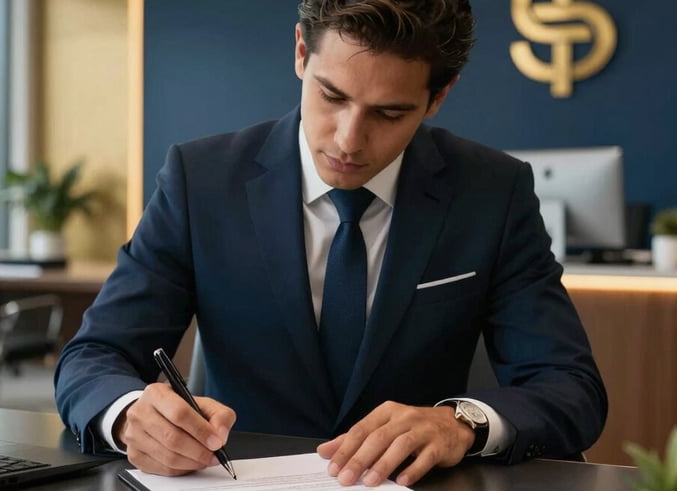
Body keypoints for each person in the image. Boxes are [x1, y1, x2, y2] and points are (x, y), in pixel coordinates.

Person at [55, 0, 607, 487]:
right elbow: (94, 356)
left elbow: (570, 387)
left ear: (438, 97)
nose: (348, 140)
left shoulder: (492, 192)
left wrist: (463, 422)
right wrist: (128, 415)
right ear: (300, 52)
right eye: (331, 95)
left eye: (389, 113)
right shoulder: (200, 181)